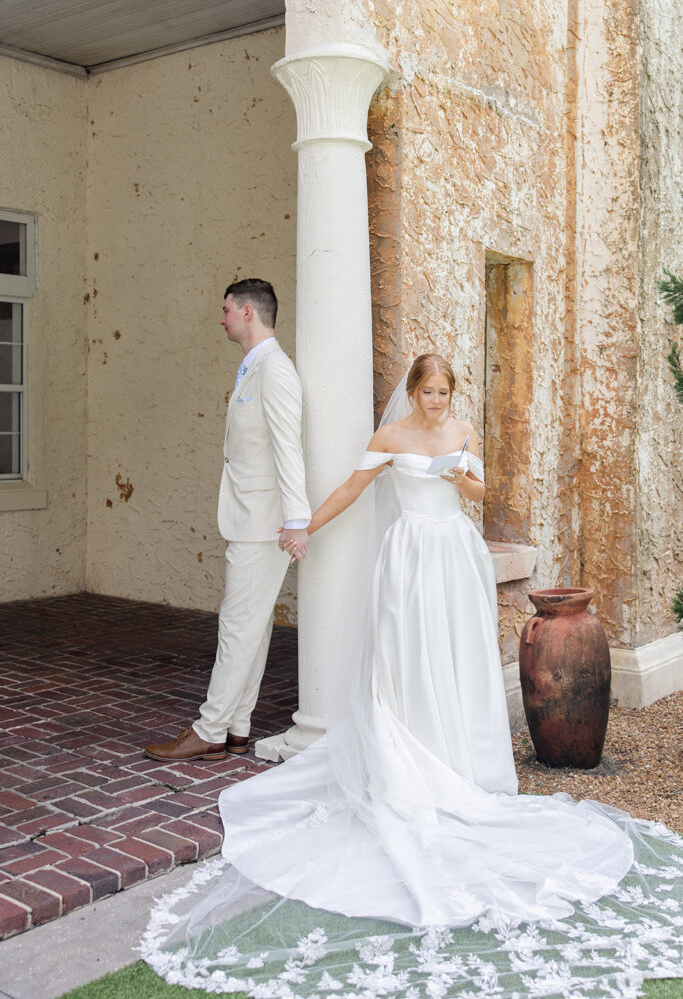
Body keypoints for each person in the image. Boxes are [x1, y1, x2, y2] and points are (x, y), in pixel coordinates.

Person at [142, 354, 683, 998]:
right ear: (412, 391)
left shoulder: (462, 433)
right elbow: (351, 488)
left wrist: (465, 480)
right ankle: (407, 760)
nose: (436, 400)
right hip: (408, 557)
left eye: (445, 392)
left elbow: (482, 493)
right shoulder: (389, 437)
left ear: (453, 394)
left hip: (454, 554)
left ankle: (460, 764)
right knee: (403, 656)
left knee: (454, 656)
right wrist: (303, 526)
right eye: (427, 390)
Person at [144, 279, 311, 763]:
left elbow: (288, 448)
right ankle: (237, 726)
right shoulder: (252, 368)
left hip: (265, 523)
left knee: (237, 626)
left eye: (225, 310)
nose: (220, 319)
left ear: (247, 313)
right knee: (252, 628)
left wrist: (296, 520)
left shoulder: (275, 372)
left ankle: (209, 728)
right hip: (251, 517)